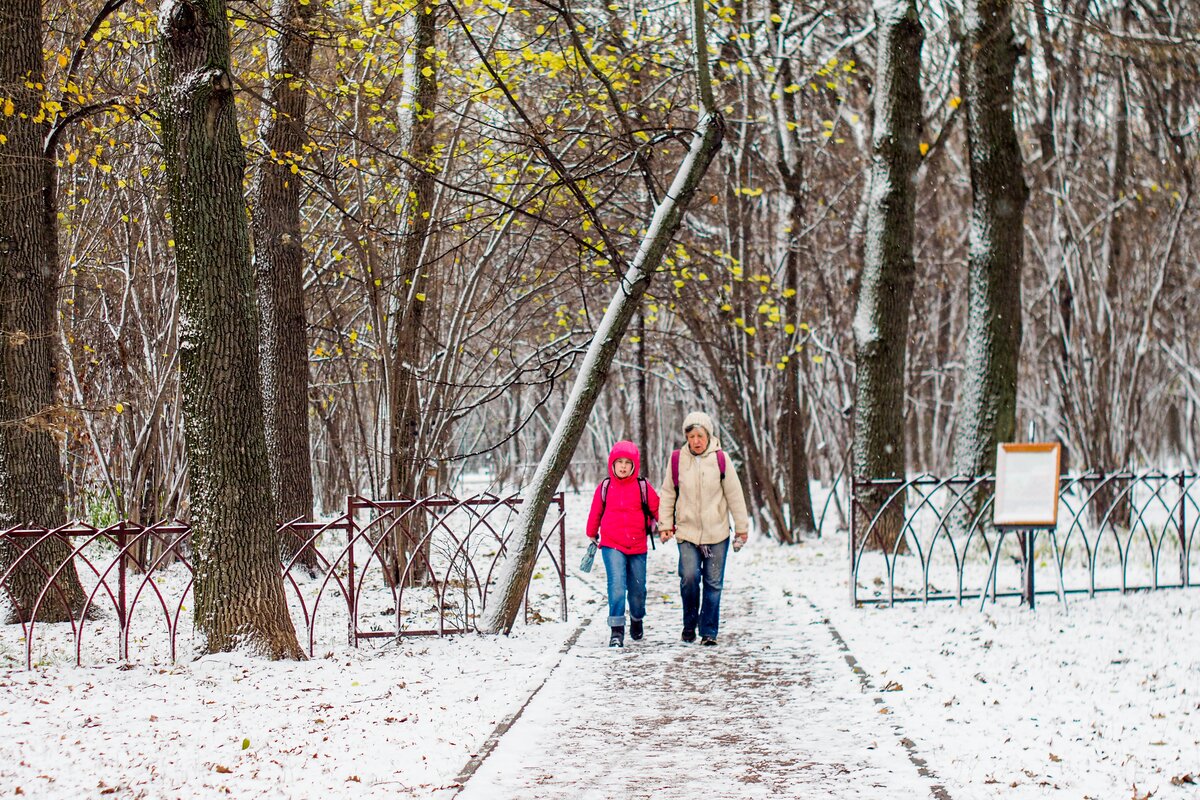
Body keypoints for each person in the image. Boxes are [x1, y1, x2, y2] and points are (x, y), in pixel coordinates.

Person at [657, 412, 749, 646]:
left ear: (709, 436)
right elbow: (668, 493)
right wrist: (665, 524)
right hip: (687, 532)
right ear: (686, 437)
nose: (696, 440)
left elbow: (734, 495)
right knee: (689, 577)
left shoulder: (721, 459)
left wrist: (741, 527)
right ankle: (689, 625)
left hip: (717, 533)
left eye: (700, 435)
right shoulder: (677, 459)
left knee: (713, 583)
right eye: (692, 436)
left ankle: (708, 631)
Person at [585, 441, 660, 648]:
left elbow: (657, 509)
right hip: (611, 544)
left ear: (634, 465)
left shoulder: (642, 486)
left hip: (637, 545)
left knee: (637, 589)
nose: (624, 466)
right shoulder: (605, 487)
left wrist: (666, 527)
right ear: (613, 464)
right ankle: (616, 631)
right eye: (620, 462)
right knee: (617, 586)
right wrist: (591, 532)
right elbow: (596, 511)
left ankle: (637, 617)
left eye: (628, 462)